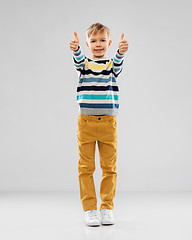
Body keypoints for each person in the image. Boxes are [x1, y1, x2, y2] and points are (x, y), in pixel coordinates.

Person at [69, 22, 128, 226]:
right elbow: (77, 60)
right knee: (86, 168)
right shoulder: (84, 65)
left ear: (109, 43)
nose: (98, 44)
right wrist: (76, 49)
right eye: (93, 41)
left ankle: (107, 208)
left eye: (102, 40)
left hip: (108, 123)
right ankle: (90, 210)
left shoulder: (111, 65)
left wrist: (120, 52)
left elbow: (119, 63)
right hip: (85, 122)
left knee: (109, 167)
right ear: (87, 44)